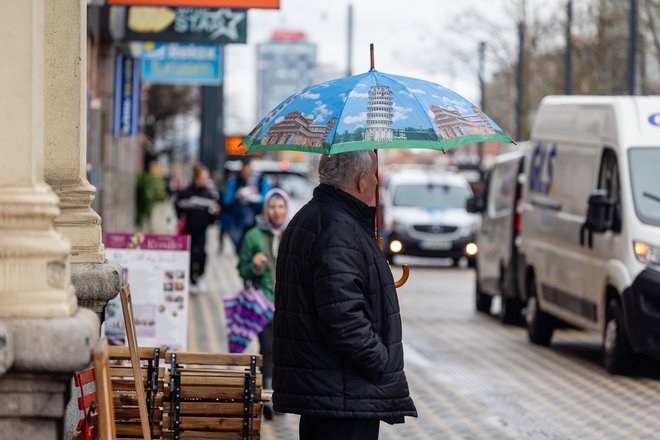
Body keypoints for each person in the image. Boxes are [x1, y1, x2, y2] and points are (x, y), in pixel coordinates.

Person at [272, 150, 417, 440]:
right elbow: (342, 318)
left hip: (329, 393)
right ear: (362, 180)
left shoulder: (316, 217)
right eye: (374, 175)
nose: (377, 182)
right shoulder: (338, 229)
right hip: (342, 395)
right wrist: (380, 359)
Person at [236, 188, 289, 420]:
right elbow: (242, 269)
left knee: (285, 351)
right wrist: (254, 266)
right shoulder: (253, 236)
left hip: (289, 305)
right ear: (265, 209)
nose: (276, 211)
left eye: (280, 206)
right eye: (272, 206)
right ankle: (266, 397)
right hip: (263, 303)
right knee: (268, 348)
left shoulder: (293, 233)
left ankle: (280, 394)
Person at [175, 163, 219, 293]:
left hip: (202, 228)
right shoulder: (186, 192)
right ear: (196, 178)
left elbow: (214, 212)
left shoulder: (209, 194)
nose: (206, 180)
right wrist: (183, 210)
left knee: (201, 253)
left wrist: (215, 213)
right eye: (204, 177)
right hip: (188, 228)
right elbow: (178, 206)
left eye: (207, 177)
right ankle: (189, 279)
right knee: (189, 255)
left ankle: (200, 276)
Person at [222, 160, 271, 253]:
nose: (248, 175)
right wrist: (236, 196)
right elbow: (226, 201)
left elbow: (267, 198)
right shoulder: (234, 182)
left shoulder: (261, 181)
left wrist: (257, 196)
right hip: (237, 222)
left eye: (250, 173)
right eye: (246, 173)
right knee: (240, 249)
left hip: (256, 221)